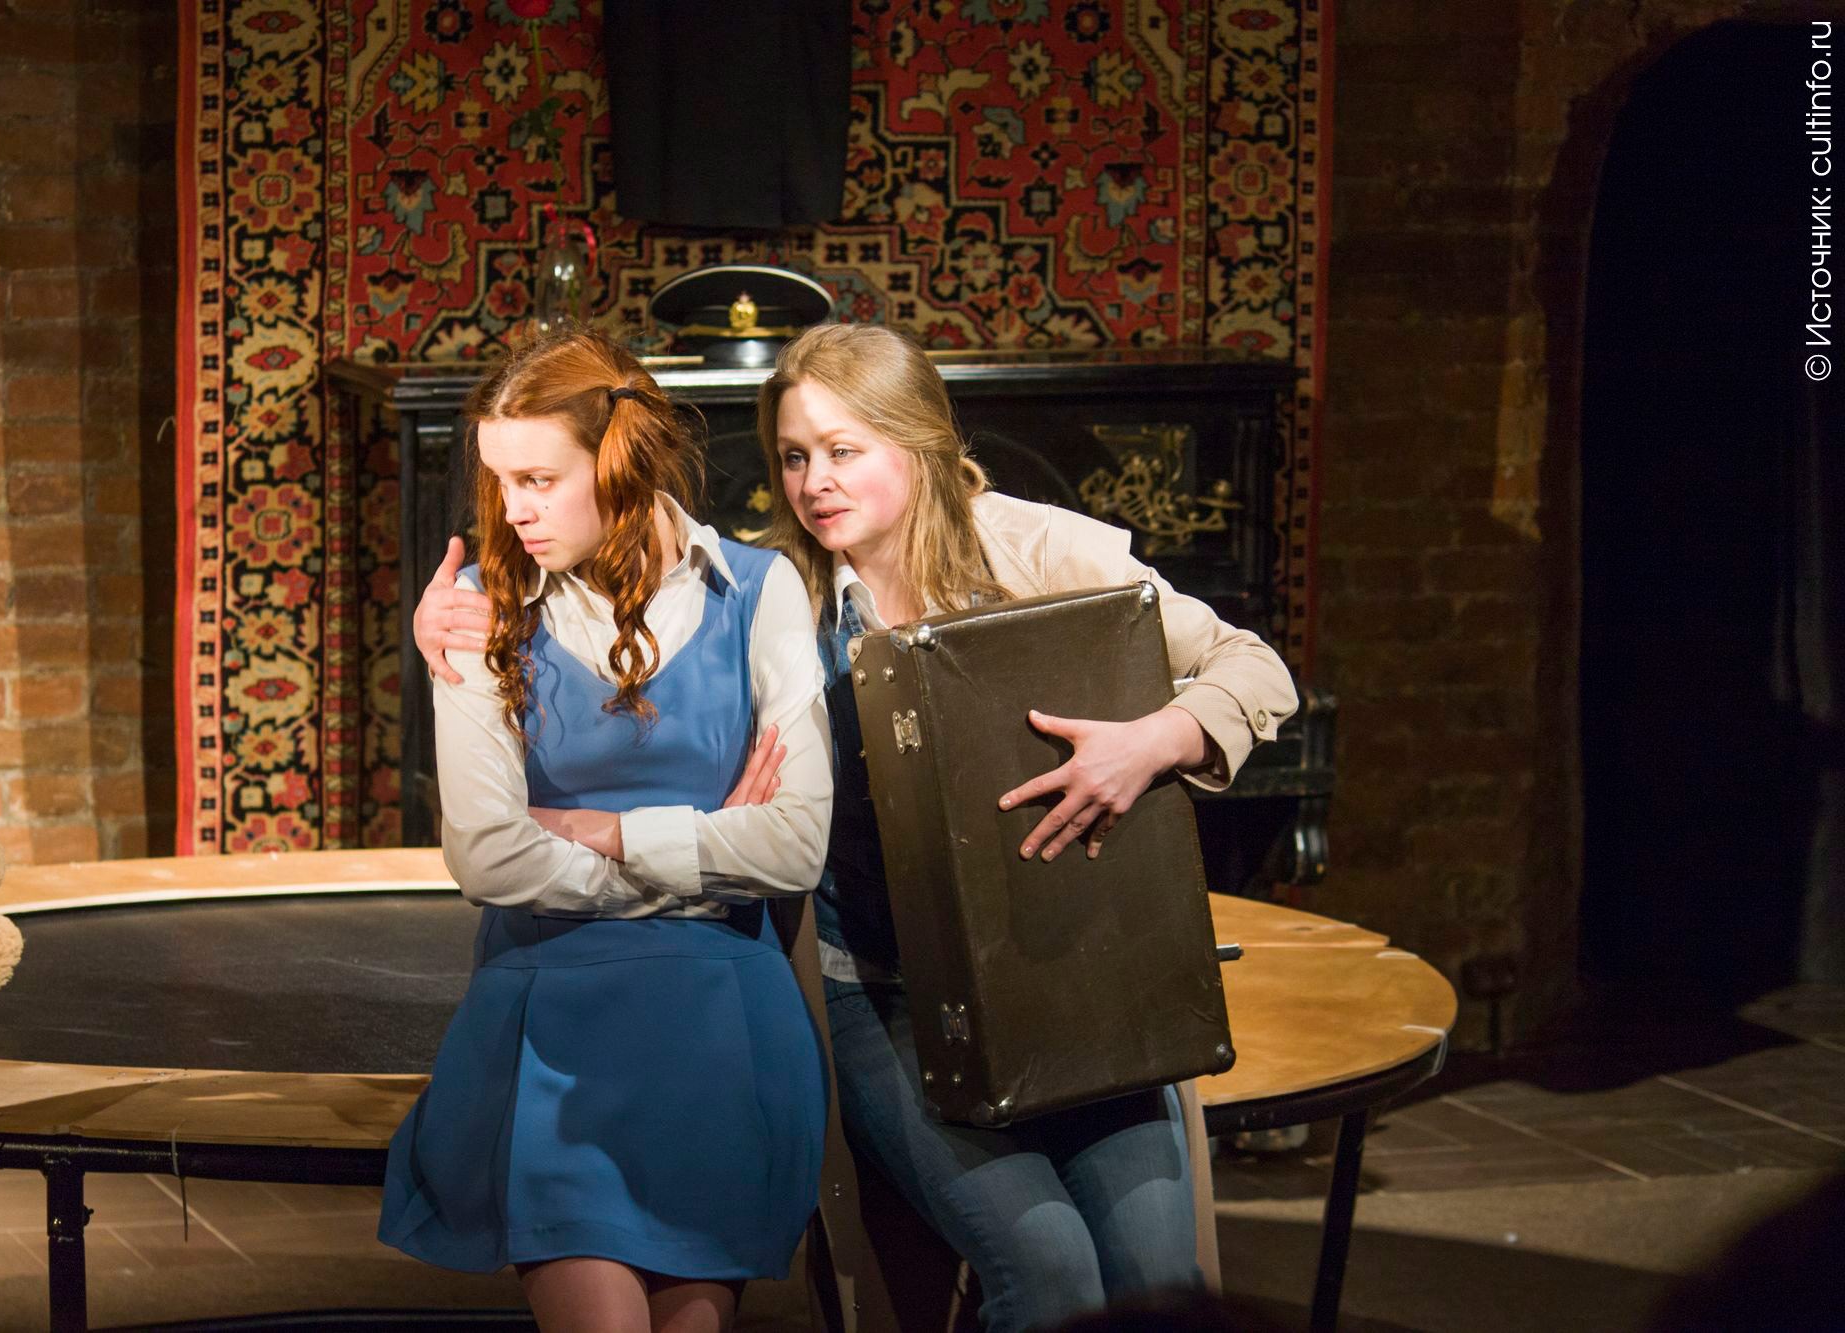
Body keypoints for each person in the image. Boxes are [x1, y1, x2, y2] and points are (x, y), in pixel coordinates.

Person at [414, 323, 1298, 1332]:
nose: (814, 482)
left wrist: (1150, 741)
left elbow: (1253, 668)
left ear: (918, 441)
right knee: (1049, 1269)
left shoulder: (1036, 549)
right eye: (794, 456)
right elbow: (645, 590)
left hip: (1067, 979)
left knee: (1152, 1274)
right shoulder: (782, 591)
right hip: (880, 991)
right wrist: (447, 619)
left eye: (843, 449)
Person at [380, 329, 832, 1333]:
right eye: (499, 481)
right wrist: (703, 856)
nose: (512, 509)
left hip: (721, 1023)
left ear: (619, 467)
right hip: (557, 1020)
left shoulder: (759, 591)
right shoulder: (478, 608)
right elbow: (488, 854)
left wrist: (599, 830)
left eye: (538, 479)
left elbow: (797, 845)